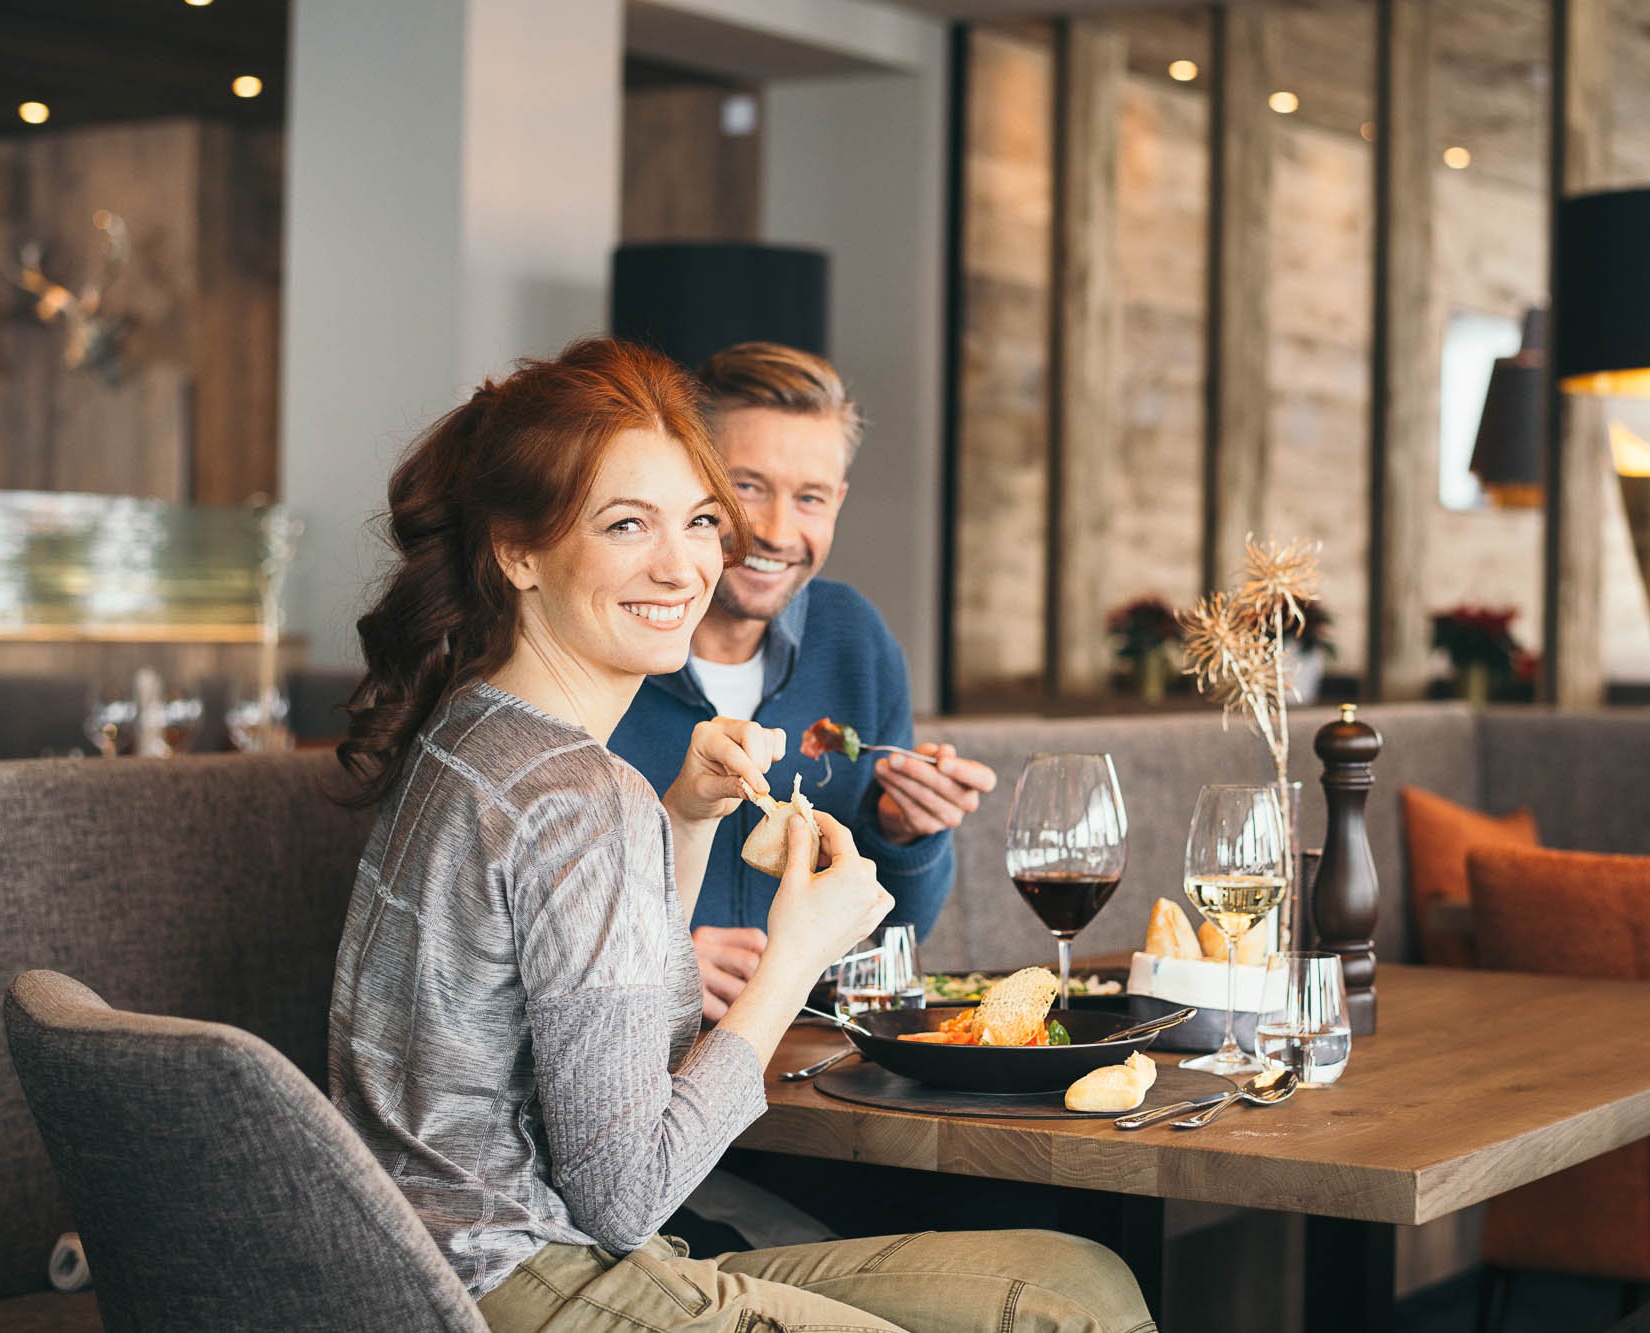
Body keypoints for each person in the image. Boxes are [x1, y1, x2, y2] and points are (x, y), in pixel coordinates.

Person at [326, 337, 1153, 1333]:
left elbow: (617, 1059)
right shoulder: (579, 791)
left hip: (437, 1257)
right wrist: (793, 958)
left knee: (1081, 1284)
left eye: (696, 522)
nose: (683, 566)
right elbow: (629, 1196)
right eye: (627, 524)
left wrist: (682, 821)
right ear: (516, 549)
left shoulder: (474, 729)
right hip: (525, 1280)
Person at [610, 341, 997, 1021]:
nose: (775, 530)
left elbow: (896, 932)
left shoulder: (857, 642)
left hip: (807, 1061)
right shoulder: (608, 643)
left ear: (839, 500)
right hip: (636, 1058)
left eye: (810, 497)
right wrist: (656, 960)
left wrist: (905, 833)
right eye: (747, 486)